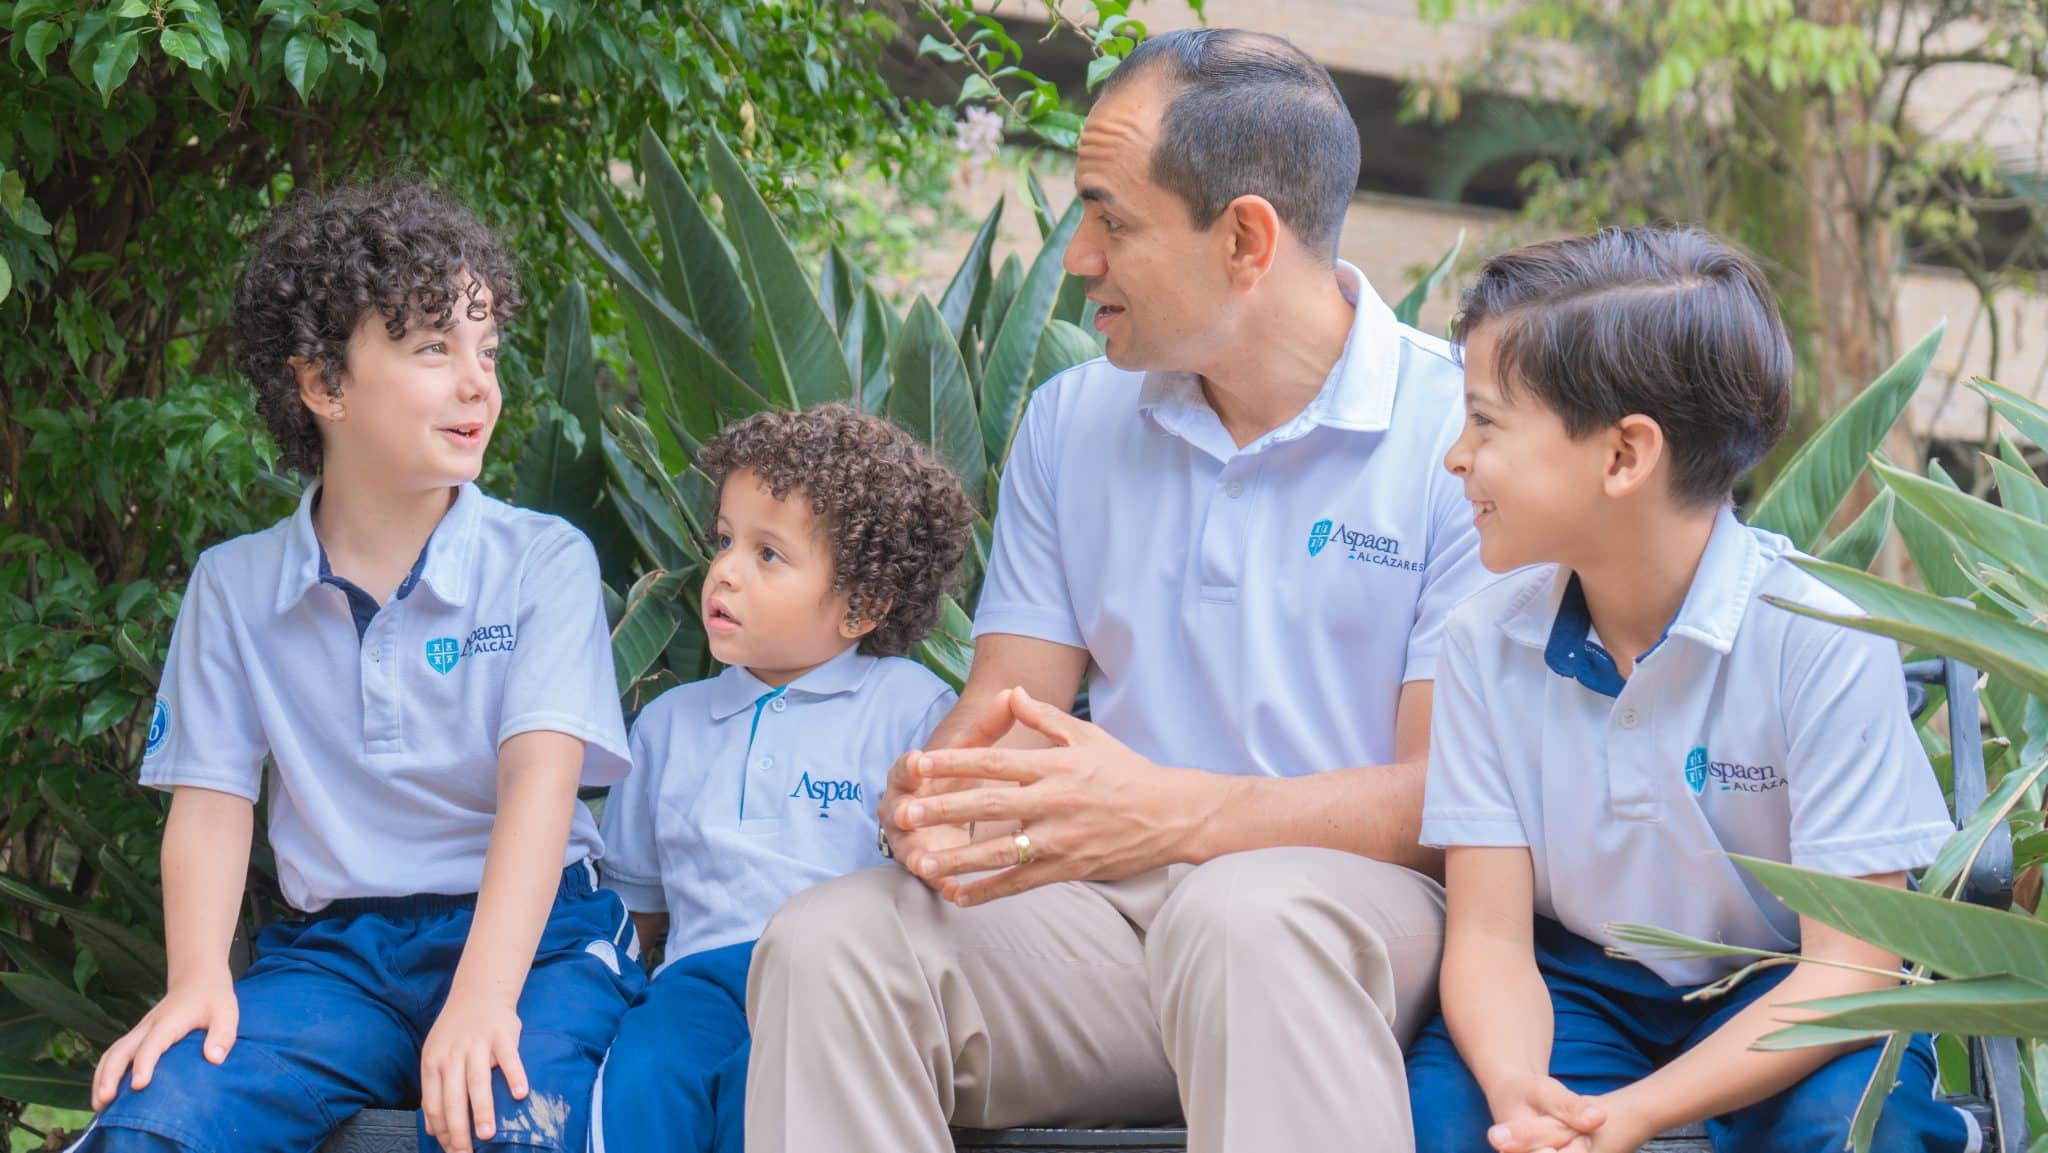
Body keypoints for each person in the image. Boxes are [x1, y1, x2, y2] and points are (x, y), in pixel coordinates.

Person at [744, 27, 1491, 1153]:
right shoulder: (1073, 420)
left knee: (1244, 918)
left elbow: (1446, 800)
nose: (1079, 255)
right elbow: (1010, 709)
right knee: (827, 945)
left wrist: (1177, 813)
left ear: (1244, 238)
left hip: (1355, 913)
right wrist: (942, 800)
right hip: (1109, 911)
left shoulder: (1461, 437)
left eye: (1112, 219)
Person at [76, 178, 640, 1153]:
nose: (479, 383)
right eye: (433, 348)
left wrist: (482, 995)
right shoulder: (234, 587)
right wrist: (198, 978)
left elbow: (541, 789)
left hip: (539, 941)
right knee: (156, 1125)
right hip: (336, 959)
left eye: (486, 350)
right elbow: (210, 805)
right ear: (323, 385)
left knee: (514, 1130)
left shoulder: (542, 562)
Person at [1404, 225, 1978, 1153]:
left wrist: (1635, 1112)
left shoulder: (1820, 638)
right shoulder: (1483, 640)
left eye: (1486, 422)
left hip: (1787, 982)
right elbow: (1491, 940)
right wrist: (1522, 1096)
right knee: (1452, 1122)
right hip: (1576, 984)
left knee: (1853, 1126)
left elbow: (1851, 967)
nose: (1456, 457)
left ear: (1624, 456)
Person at [589, 405, 972, 1153]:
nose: (725, 571)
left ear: (861, 606)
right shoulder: (667, 725)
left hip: (835, 989)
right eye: (725, 540)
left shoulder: (910, 708)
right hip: (694, 988)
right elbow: (637, 914)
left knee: (772, 1106)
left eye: (768, 554)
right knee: (639, 1082)